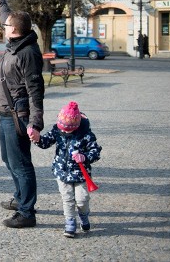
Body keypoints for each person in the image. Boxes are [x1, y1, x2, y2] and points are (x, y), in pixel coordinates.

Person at [0, 0, 45, 228]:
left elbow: (36, 91)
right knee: (8, 159)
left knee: (21, 163)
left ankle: (27, 212)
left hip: (17, 115)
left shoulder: (27, 52)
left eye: (6, 25)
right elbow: (6, 16)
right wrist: (0, 1)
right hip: (4, 113)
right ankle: (20, 197)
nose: (4, 26)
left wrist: (35, 122)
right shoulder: (15, 42)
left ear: (14, 29)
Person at [31, 101, 102, 238]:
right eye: (61, 127)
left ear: (76, 126)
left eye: (67, 129)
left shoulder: (86, 135)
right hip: (62, 173)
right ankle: (70, 223)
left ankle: (83, 215)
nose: (63, 131)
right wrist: (37, 138)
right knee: (67, 199)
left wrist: (84, 157)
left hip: (81, 175)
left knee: (82, 200)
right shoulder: (57, 130)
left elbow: (96, 152)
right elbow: (46, 142)